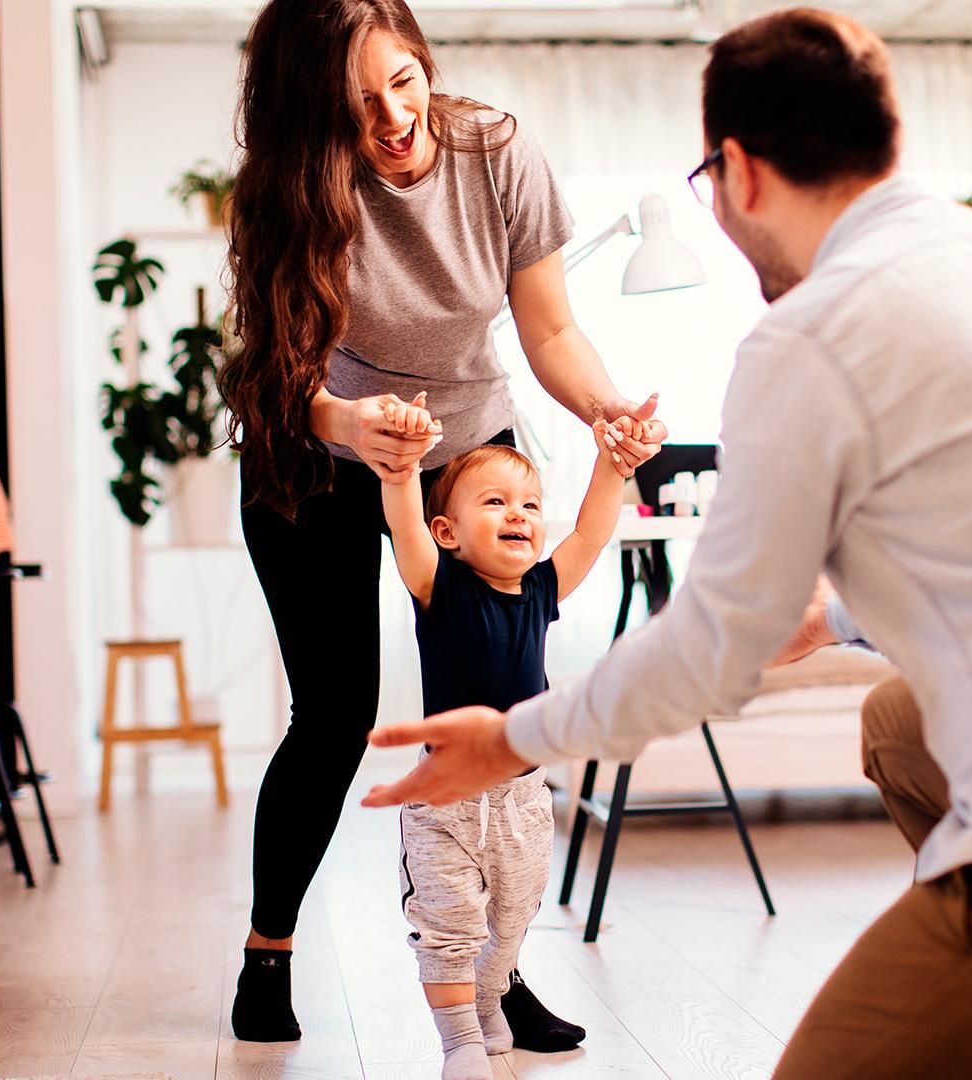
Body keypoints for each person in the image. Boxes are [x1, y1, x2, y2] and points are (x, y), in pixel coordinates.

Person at [359, 8, 972, 1078]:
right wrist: (834, 617)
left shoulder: (809, 339)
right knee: (900, 723)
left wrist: (511, 741)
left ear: (734, 171)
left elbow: (702, 658)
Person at [220, 0, 665, 1046]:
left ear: (425, 63)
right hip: (316, 448)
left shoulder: (494, 151)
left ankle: (499, 977)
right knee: (335, 711)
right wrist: (345, 419)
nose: (393, 118)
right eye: (358, 103)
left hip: (464, 446)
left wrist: (605, 413)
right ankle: (267, 953)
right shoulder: (287, 188)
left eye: (404, 82)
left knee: (495, 709)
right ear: (310, 109)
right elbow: (279, 373)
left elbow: (549, 326)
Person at [377, 396, 634, 1078]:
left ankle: (492, 1001)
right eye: (494, 502)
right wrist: (401, 471)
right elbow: (404, 526)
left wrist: (612, 467)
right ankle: (460, 1039)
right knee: (450, 926)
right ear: (449, 532)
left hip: (522, 800)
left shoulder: (543, 592)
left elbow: (590, 534)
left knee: (513, 921)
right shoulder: (439, 585)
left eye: (528, 504)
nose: (518, 514)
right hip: (447, 805)